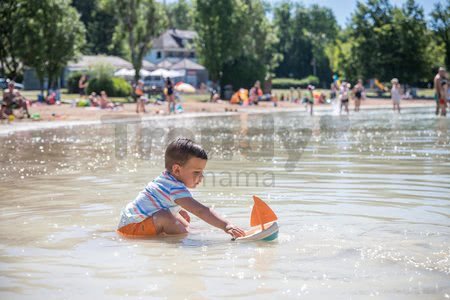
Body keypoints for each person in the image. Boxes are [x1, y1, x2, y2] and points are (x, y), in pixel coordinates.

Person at [117, 138, 246, 238]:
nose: (201, 177)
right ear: (177, 169)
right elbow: (201, 211)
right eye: (196, 172)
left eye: (202, 172)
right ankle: (186, 237)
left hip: (130, 222)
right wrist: (226, 226)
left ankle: (189, 232)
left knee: (181, 214)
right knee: (167, 217)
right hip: (131, 229)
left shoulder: (167, 179)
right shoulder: (173, 188)